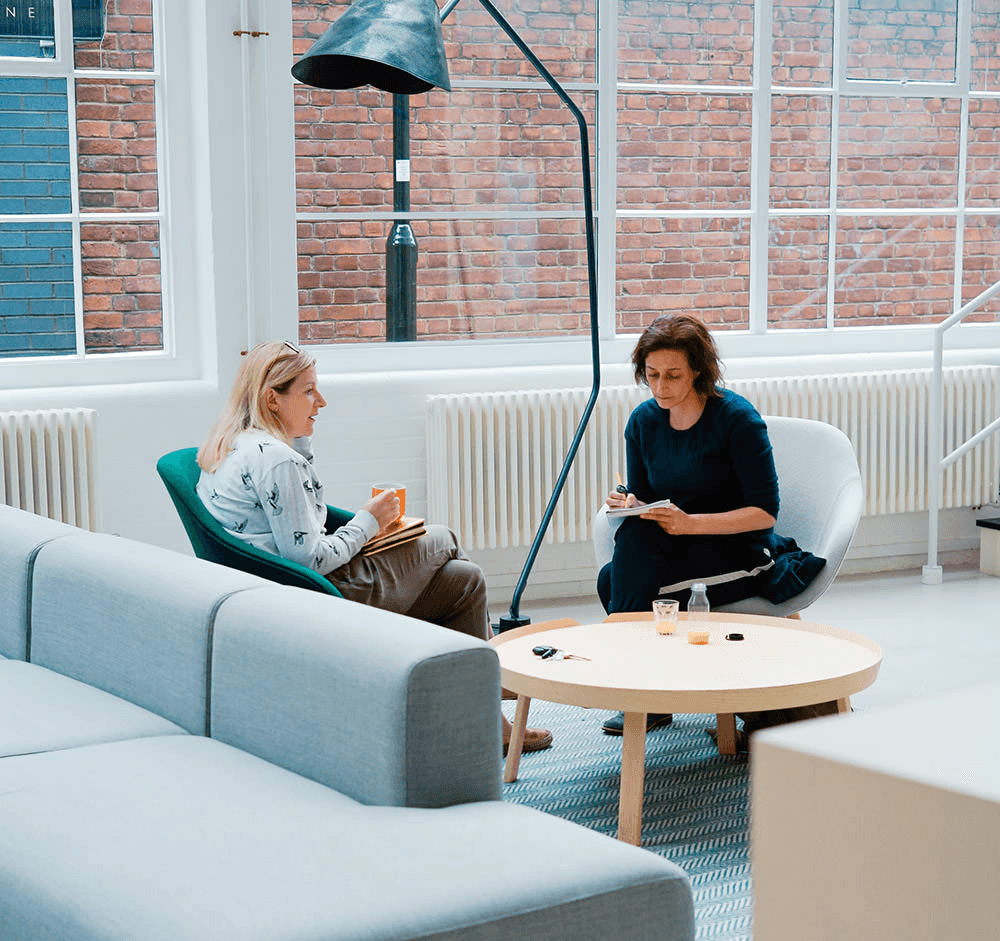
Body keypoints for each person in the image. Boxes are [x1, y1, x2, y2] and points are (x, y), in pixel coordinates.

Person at [196, 340, 552, 755]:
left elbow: (300, 526)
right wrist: (369, 520)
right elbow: (308, 558)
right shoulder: (278, 461)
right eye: (309, 391)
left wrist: (307, 452)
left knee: (465, 580)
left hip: (285, 591)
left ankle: (485, 719)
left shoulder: (240, 444)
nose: (321, 401)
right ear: (272, 398)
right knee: (443, 537)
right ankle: (494, 678)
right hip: (322, 595)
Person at [597, 314, 833, 744]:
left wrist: (690, 525)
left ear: (699, 371)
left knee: (620, 580)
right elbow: (647, 498)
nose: (661, 387)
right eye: (651, 375)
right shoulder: (643, 422)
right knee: (612, 573)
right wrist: (629, 503)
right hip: (680, 547)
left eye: (673, 375)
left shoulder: (736, 419)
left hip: (740, 551)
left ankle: (638, 685)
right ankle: (648, 686)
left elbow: (764, 513)